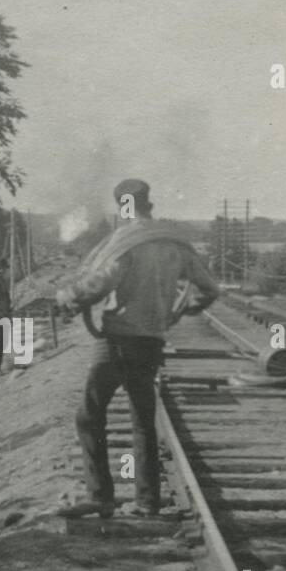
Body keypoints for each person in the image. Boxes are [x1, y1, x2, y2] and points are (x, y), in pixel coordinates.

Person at [56, 179, 220, 518]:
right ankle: (147, 502)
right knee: (143, 419)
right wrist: (177, 312)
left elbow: (101, 284)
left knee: (89, 415)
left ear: (125, 207)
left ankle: (100, 496)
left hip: (117, 340)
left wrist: (67, 298)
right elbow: (209, 289)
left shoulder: (128, 242)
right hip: (151, 342)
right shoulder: (175, 243)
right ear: (150, 203)